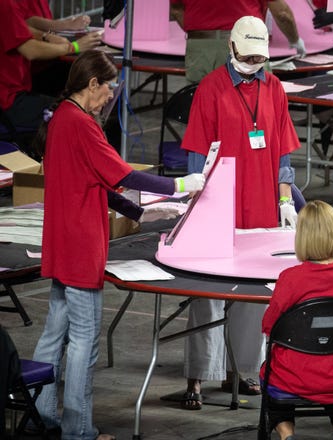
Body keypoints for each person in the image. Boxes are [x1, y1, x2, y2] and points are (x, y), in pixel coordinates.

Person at [30, 50, 205, 440]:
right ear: (92, 83)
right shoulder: (82, 125)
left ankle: (40, 416)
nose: (111, 94)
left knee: (53, 336)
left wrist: (139, 215)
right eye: (108, 86)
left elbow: (95, 182)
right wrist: (180, 185)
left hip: (60, 243)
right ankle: (79, 431)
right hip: (80, 249)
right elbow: (124, 174)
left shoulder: (61, 118)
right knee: (84, 344)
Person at [178, 15, 301, 410]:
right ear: (230, 48)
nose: (253, 63)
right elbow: (196, 158)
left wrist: (285, 198)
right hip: (219, 206)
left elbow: (283, 149)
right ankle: (198, 376)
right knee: (207, 295)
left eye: (260, 58)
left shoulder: (275, 86)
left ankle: (246, 369)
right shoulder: (210, 90)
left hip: (263, 204)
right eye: (247, 56)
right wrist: (196, 209)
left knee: (252, 294)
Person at [261, 200, 333, 440]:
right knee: (331, 360)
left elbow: (269, 327)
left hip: (298, 378)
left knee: (280, 370)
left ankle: (285, 433)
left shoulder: (291, 278)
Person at [0, 0, 102, 136]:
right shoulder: (6, 4)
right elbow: (30, 50)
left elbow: (19, 26)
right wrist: (73, 47)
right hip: (9, 102)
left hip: (14, 92)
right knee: (78, 111)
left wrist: (46, 36)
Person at [170, 0, 305, 85]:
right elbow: (282, 14)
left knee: (203, 107)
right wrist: (295, 40)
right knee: (252, 107)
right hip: (245, 45)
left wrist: (201, 34)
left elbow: (176, 10)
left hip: (199, 47)